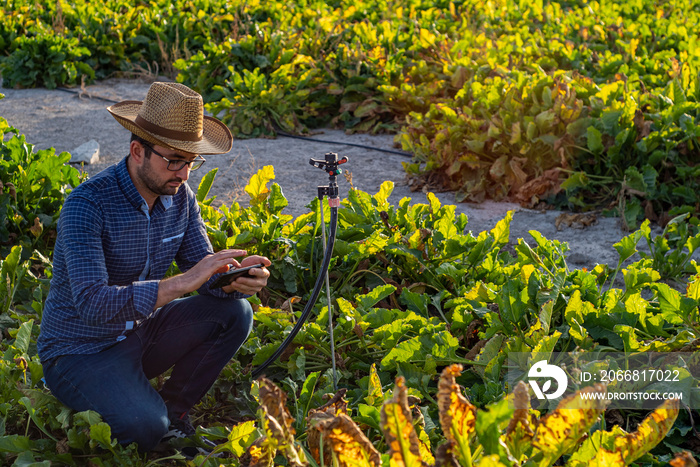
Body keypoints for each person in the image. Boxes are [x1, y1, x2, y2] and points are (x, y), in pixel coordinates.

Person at [37, 82, 271, 455]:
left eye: (191, 161)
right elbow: (92, 305)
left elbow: (205, 281)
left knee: (235, 311)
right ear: (137, 151)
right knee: (144, 428)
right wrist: (182, 282)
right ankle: (149, 416)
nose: (183, 173)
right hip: (79, 351)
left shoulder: (179, 197)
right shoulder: (87, 204)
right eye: (173, 160)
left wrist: (232, 278)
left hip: (141, 334)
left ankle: (174, 415)